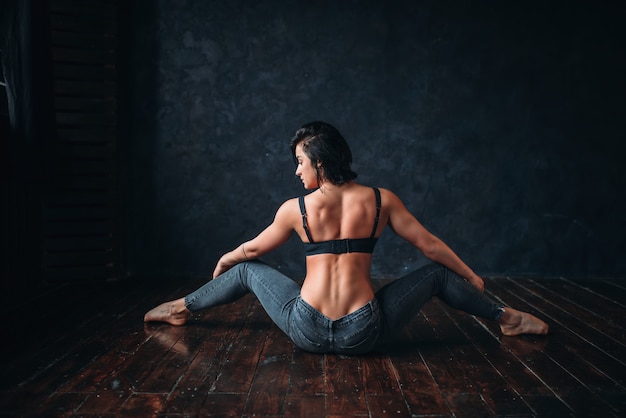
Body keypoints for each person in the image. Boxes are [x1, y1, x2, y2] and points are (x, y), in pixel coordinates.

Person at [144, 121, 548, 354]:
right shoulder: (380, 200)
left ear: (320, 161)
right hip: (363, 332)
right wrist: (470, 275)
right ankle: (507, 318)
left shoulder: (295, 209)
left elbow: (252, 250)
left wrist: (227, 260)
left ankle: (181, 307)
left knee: (248, 269)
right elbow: (429, 245)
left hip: (306, 328)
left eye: (300, 162)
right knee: (439, 276)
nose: (297, 172)